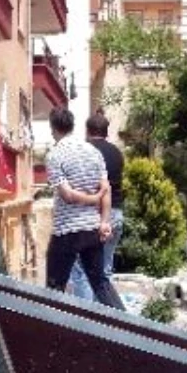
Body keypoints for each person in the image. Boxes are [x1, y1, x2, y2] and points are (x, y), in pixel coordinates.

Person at [44, 108, 125, 310]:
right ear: (73, 126)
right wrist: (104, 222)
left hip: (67, 230)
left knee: (55, 286)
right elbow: (105, 189)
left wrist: (92, 198)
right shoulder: (93, 152)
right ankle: (128, 325)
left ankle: (56, 331)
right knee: (100, 282)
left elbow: (68, 196)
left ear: (53, 128)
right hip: (92, 228)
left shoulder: (55, 155)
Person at [69, 112, 125, 302]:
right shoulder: (117, 153)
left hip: (90, 216)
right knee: (104, 271)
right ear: (106, 132)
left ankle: (86, 323)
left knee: (82, 271)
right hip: (115, 215)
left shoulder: (82, 152)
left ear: (87, 131)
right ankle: (105, 320)